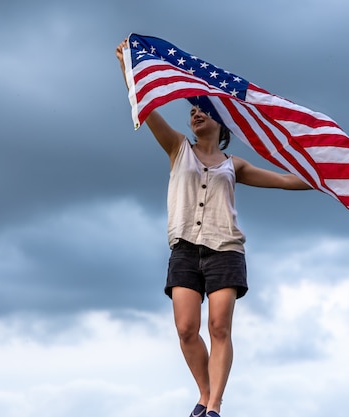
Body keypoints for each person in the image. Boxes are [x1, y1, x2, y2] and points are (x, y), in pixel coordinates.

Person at [116, 39, 311, 417]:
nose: (195, 114)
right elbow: (146, 107)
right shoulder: (177, 148)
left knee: (219, 327)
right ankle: (204, 395)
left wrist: (326, 178)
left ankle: (215, 406)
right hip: (185, 250)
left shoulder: (233, 165)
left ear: (221, 123)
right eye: (192, 110)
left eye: (202, 110)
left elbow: (287, 181)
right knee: (187, 329)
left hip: (225, 249)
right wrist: (128, 69)